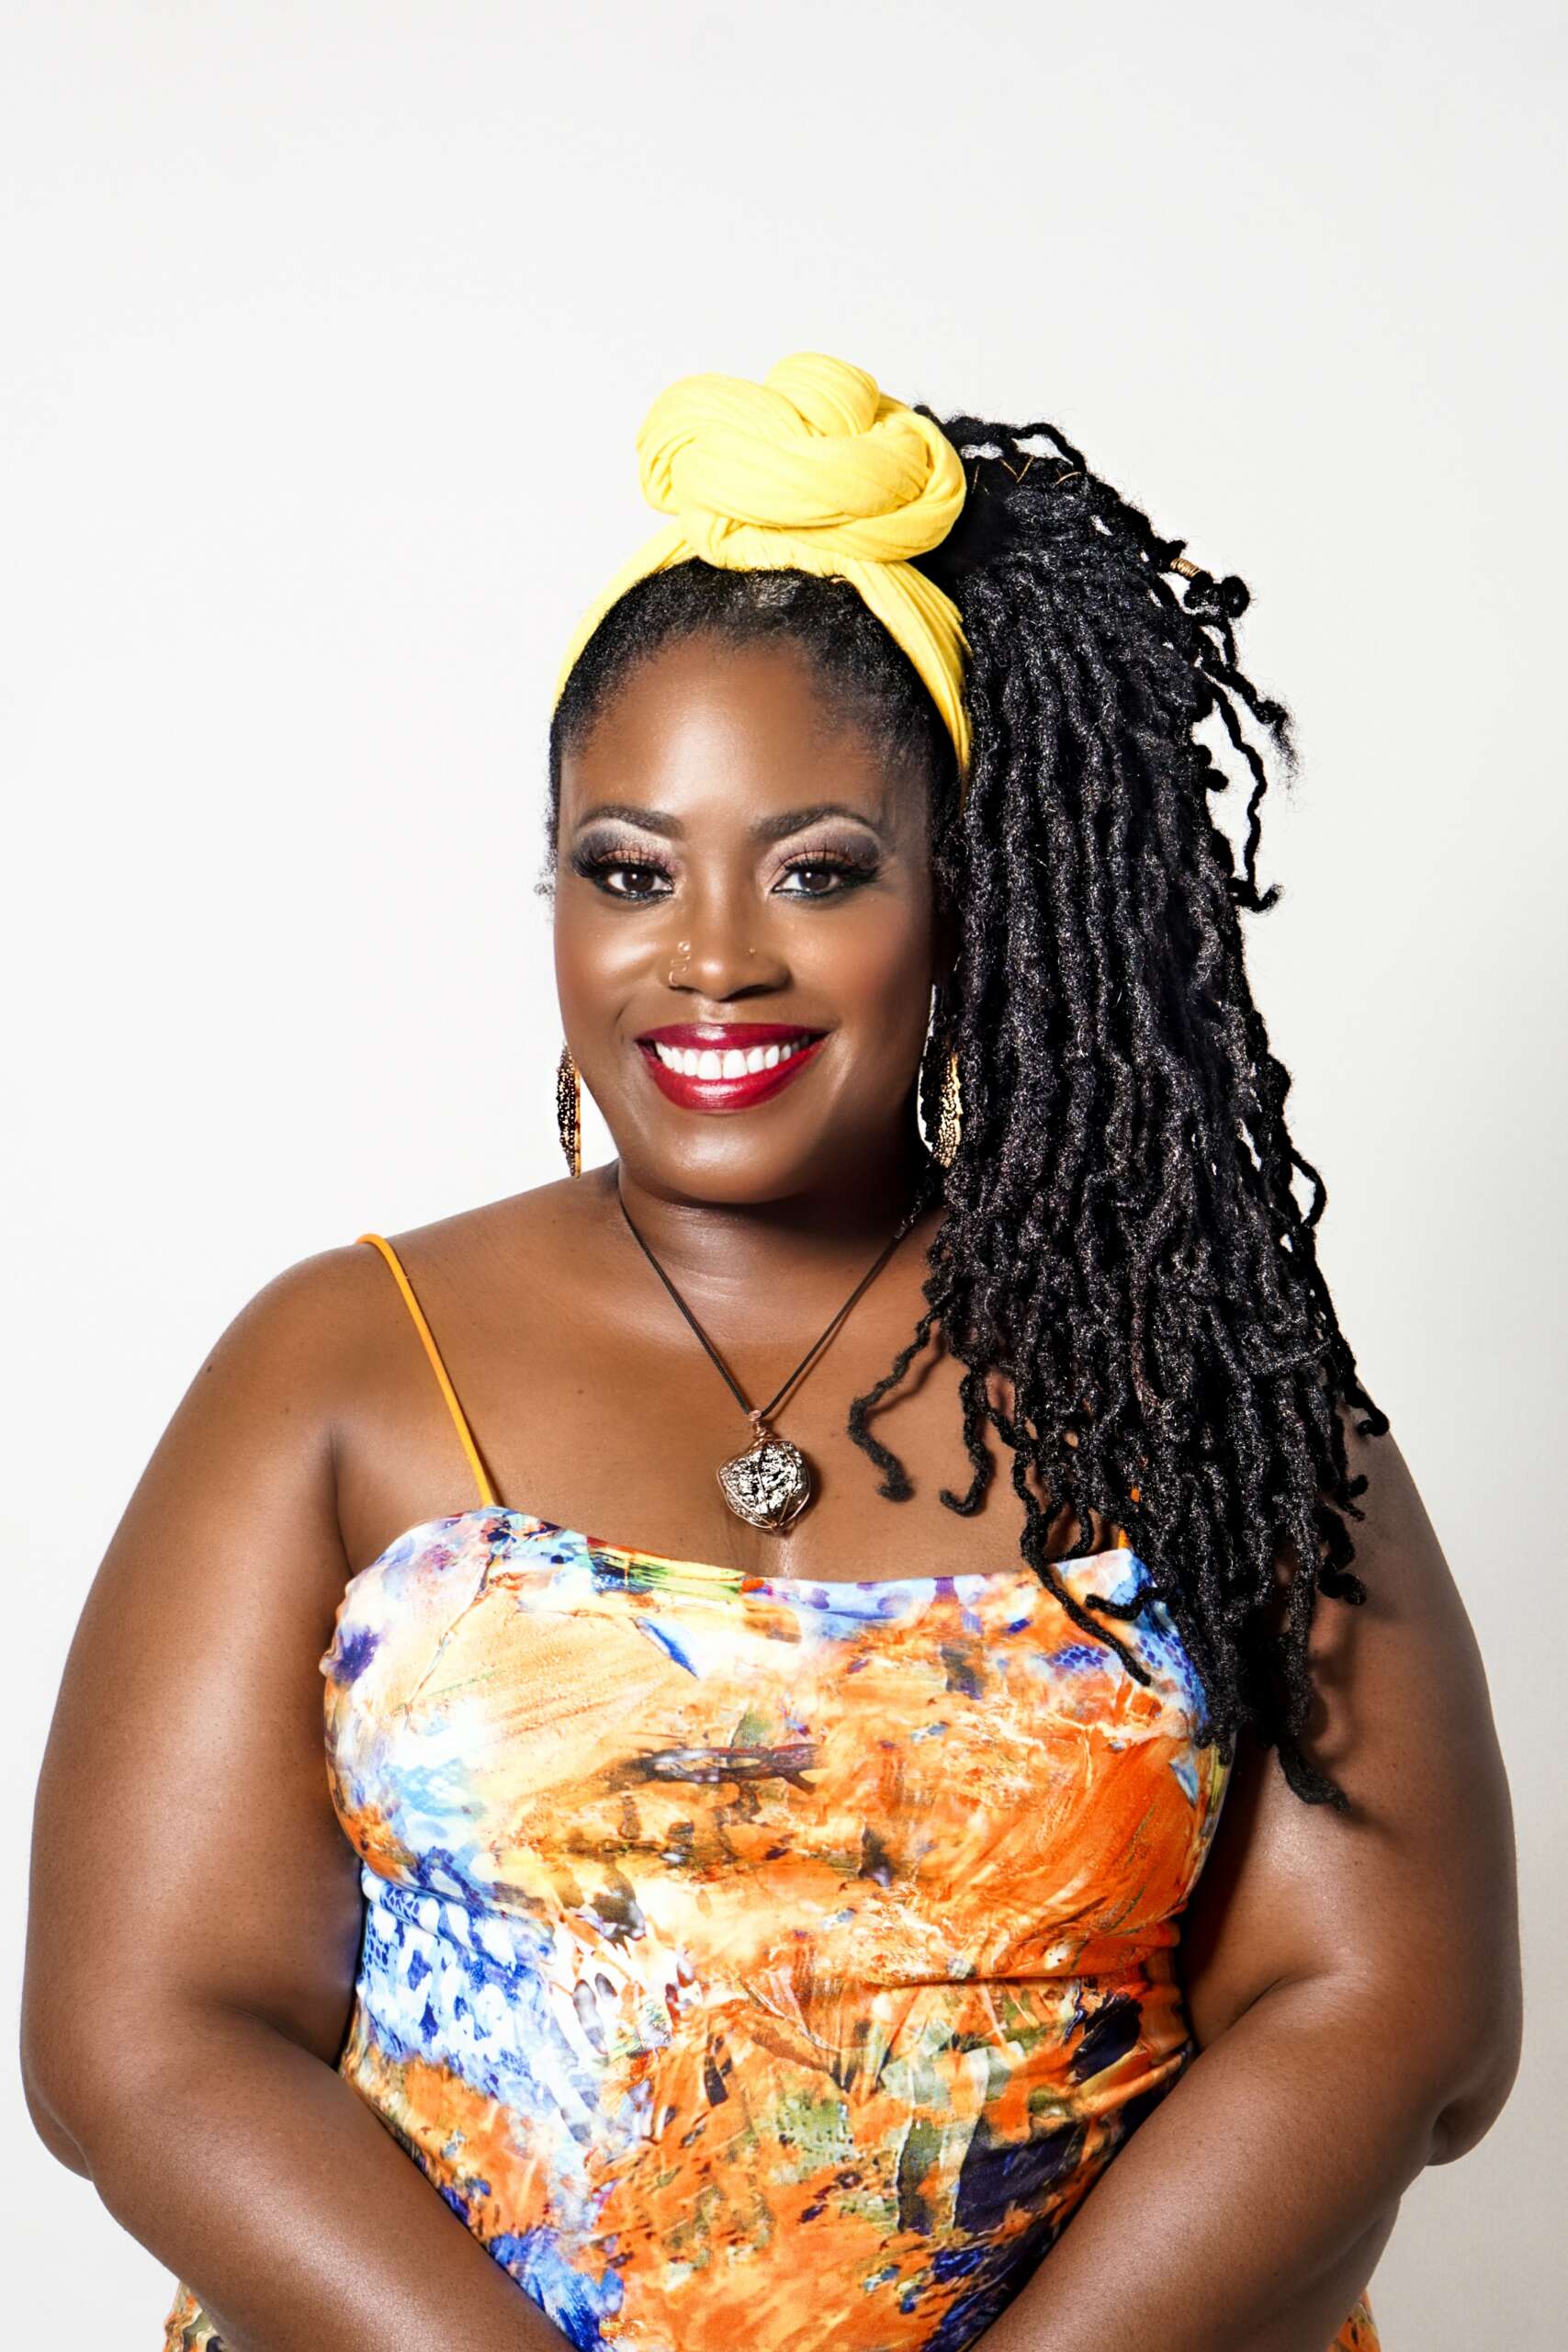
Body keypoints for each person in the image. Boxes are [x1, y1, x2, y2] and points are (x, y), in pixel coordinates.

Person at [22, 350, 1521, 2352]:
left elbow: (1390, 2015)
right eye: (625, 870)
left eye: (816, 868)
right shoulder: (337, 1366)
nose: (710, 955)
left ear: (967, 896)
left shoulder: (1197, 1377)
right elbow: (144, 2038)